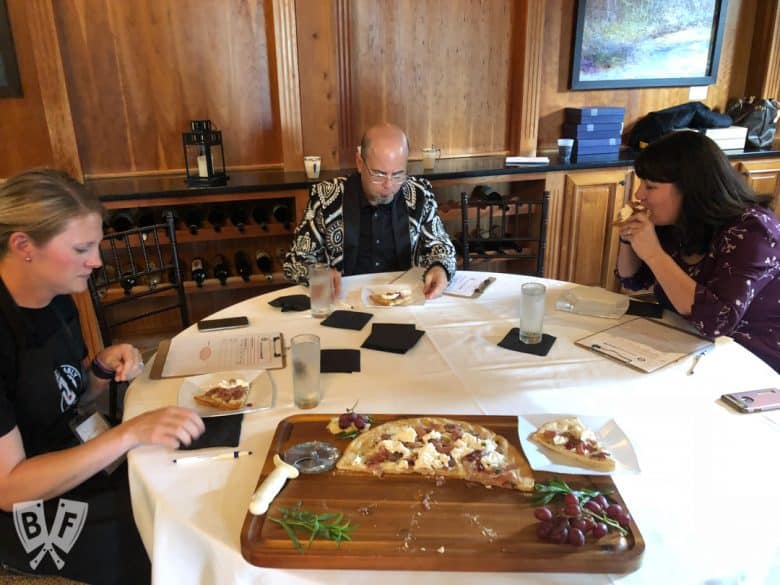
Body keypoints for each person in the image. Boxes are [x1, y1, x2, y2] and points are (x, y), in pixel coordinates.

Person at [0, 169, 205, 584]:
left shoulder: (56, 298)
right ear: (23, 245)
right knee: (169, 530)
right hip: (31, 509)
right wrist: (127, 434)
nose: (96, 261)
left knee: (191, 479)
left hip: (76, 454)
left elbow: (69, 402)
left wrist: (97, 371)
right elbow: (9, 488)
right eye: (81, 248)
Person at [616, 131, 780, 372]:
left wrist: (654, 254)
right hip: (693, 348)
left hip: (754, 362)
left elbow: (716, 320)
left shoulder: (753, 231)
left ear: (690, 189)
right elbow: (633, 280)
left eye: (650, 186)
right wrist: (628, 239)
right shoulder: (678, 222)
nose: (639, 195)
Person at [283, 123, 456, 299]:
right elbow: (295, 261)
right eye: (379, 174)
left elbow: (442, 247)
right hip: (345, 302)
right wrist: (319, 275)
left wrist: (440, 267)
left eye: (398, 175)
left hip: (404, 301)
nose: (389, 185)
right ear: (359, 163)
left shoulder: (419, 195)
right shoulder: (328, 198)